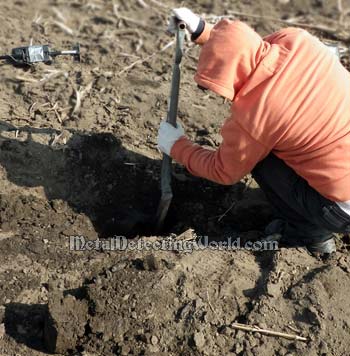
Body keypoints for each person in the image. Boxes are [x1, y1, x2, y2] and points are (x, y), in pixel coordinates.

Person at [157, 8, 350, 255]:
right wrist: (206, 32)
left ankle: (309, 234)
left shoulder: (255, 115)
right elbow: (250, 50)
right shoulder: (299, 41)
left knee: (258, 159)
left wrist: (177, 146)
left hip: (341, 212)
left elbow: (223, 171)